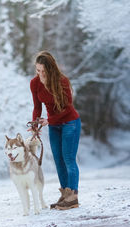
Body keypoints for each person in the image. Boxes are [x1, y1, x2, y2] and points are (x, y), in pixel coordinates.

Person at [29, 51, 81, 210]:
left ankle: (73, 196)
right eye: (38, 70)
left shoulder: (62, 81)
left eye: (44, 71)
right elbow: (37, 107)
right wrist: (35, 123)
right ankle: (65, 195)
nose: (40, 74)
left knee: (68, 159)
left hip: (70, 123)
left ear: (51, 69)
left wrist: (49, 120)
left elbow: (67, 108)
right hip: (54, 126)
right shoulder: (35, 83)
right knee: (58, 161)